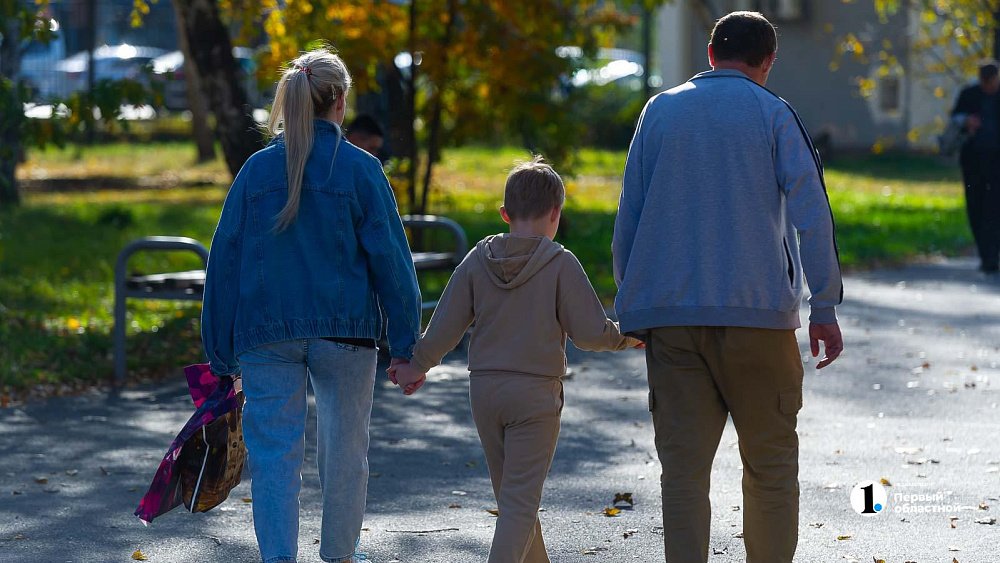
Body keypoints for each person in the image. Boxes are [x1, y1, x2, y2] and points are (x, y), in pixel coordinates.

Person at [612, 11, 844, 563]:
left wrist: (634, 303)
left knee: (684, 476)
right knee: (769, 470)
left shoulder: (660, 111)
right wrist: (825, 305)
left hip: (672, 318)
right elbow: (813, 212)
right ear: (767, 63)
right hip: (759, 318)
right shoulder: (774, 114)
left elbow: (631, 214)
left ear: (711, 53)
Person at [200, 48, 423, 563]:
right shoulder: (361, 169)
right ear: (340, 102)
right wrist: (407, 345)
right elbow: (392, 260)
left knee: (275, 456)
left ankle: (279, 558)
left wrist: (219, 354)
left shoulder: (255, 172)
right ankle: (339, 556)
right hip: (347, 334)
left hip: (265, 334)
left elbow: (224, 262)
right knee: (346, 452)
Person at [390, 156, 641, 563]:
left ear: (505, 213)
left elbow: (445, 325)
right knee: (520, 504)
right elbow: (591, 334)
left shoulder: (476, 259)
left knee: (513, 497)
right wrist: (627, 338)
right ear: (556, 213)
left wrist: (416, 364)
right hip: (536, 395)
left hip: (485, 391)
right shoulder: (560, 263)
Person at [951, 61, 1000, 273]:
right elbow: (955, 117)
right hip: (973, 161)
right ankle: (985, 253)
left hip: (997, 162)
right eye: (986, 82)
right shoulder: (969, 94)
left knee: (995, 208)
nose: (989, 86)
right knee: (976, 206)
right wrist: (967, 121)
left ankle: (992, 255)